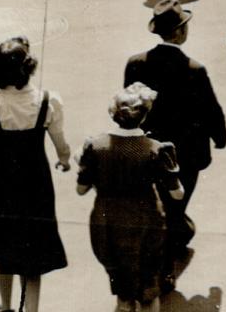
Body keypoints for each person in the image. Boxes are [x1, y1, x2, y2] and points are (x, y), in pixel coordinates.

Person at [122, 0, 226, 272]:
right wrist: (220, 137)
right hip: (188, 152)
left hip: (148, 148)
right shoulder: (195, 69)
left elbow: (129, 106)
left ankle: (172, 237)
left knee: (158, 201)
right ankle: (167, 257)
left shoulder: (135, 64)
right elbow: (211, 109)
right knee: (177, 203)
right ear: (181, 32)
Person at [0, 37, 70, 312]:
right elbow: (61, 144)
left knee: (2, 247)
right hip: (36, 185)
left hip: (0, 186)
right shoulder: (48, 101)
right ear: (29, 68)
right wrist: (65, 159)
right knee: (34, 252)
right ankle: (31, 310)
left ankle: (5, 305)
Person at [76, 84, 184, 312]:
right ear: (145, 115)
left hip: (107, 223)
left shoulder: (95, 146)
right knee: (148, 289)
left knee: (123, 291)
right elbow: (177, 193)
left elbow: (81, 189)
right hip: (147, 221)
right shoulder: (156, 149)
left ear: (114, 113)